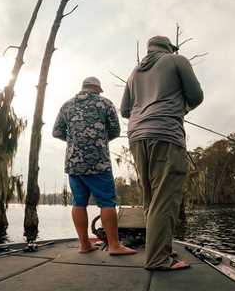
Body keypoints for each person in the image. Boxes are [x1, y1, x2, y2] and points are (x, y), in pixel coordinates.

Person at [120, 36, 203, 270]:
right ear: (168, 48)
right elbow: (196, 97)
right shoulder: (177, 60)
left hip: (136, 136)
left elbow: (125, 110)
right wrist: (181, 108)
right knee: (165, 197)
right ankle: (158, 258)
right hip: (165, 133)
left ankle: (160, 248)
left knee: (150, 197)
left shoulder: (133, 73)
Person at [53, 76, 136, 255]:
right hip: (98, 162)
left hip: (74, 162)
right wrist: (98, 140)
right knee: (106, 202)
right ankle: (114, 246)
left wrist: (75, 140)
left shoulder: (67, 105)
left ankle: (84, 245)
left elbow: (57, 132)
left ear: (83, 87)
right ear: (97, 89)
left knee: (79, 203)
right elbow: (115, 130)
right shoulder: (105, 103)